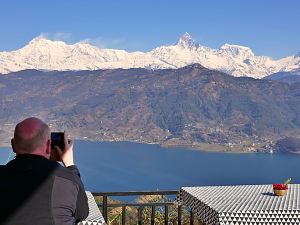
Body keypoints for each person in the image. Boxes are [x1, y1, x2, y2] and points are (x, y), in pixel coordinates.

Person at [0, 117, 89, 225]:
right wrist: (70, 166)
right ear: (48, 146)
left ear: (13, 145)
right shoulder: (68, 179)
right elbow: (82, 214)